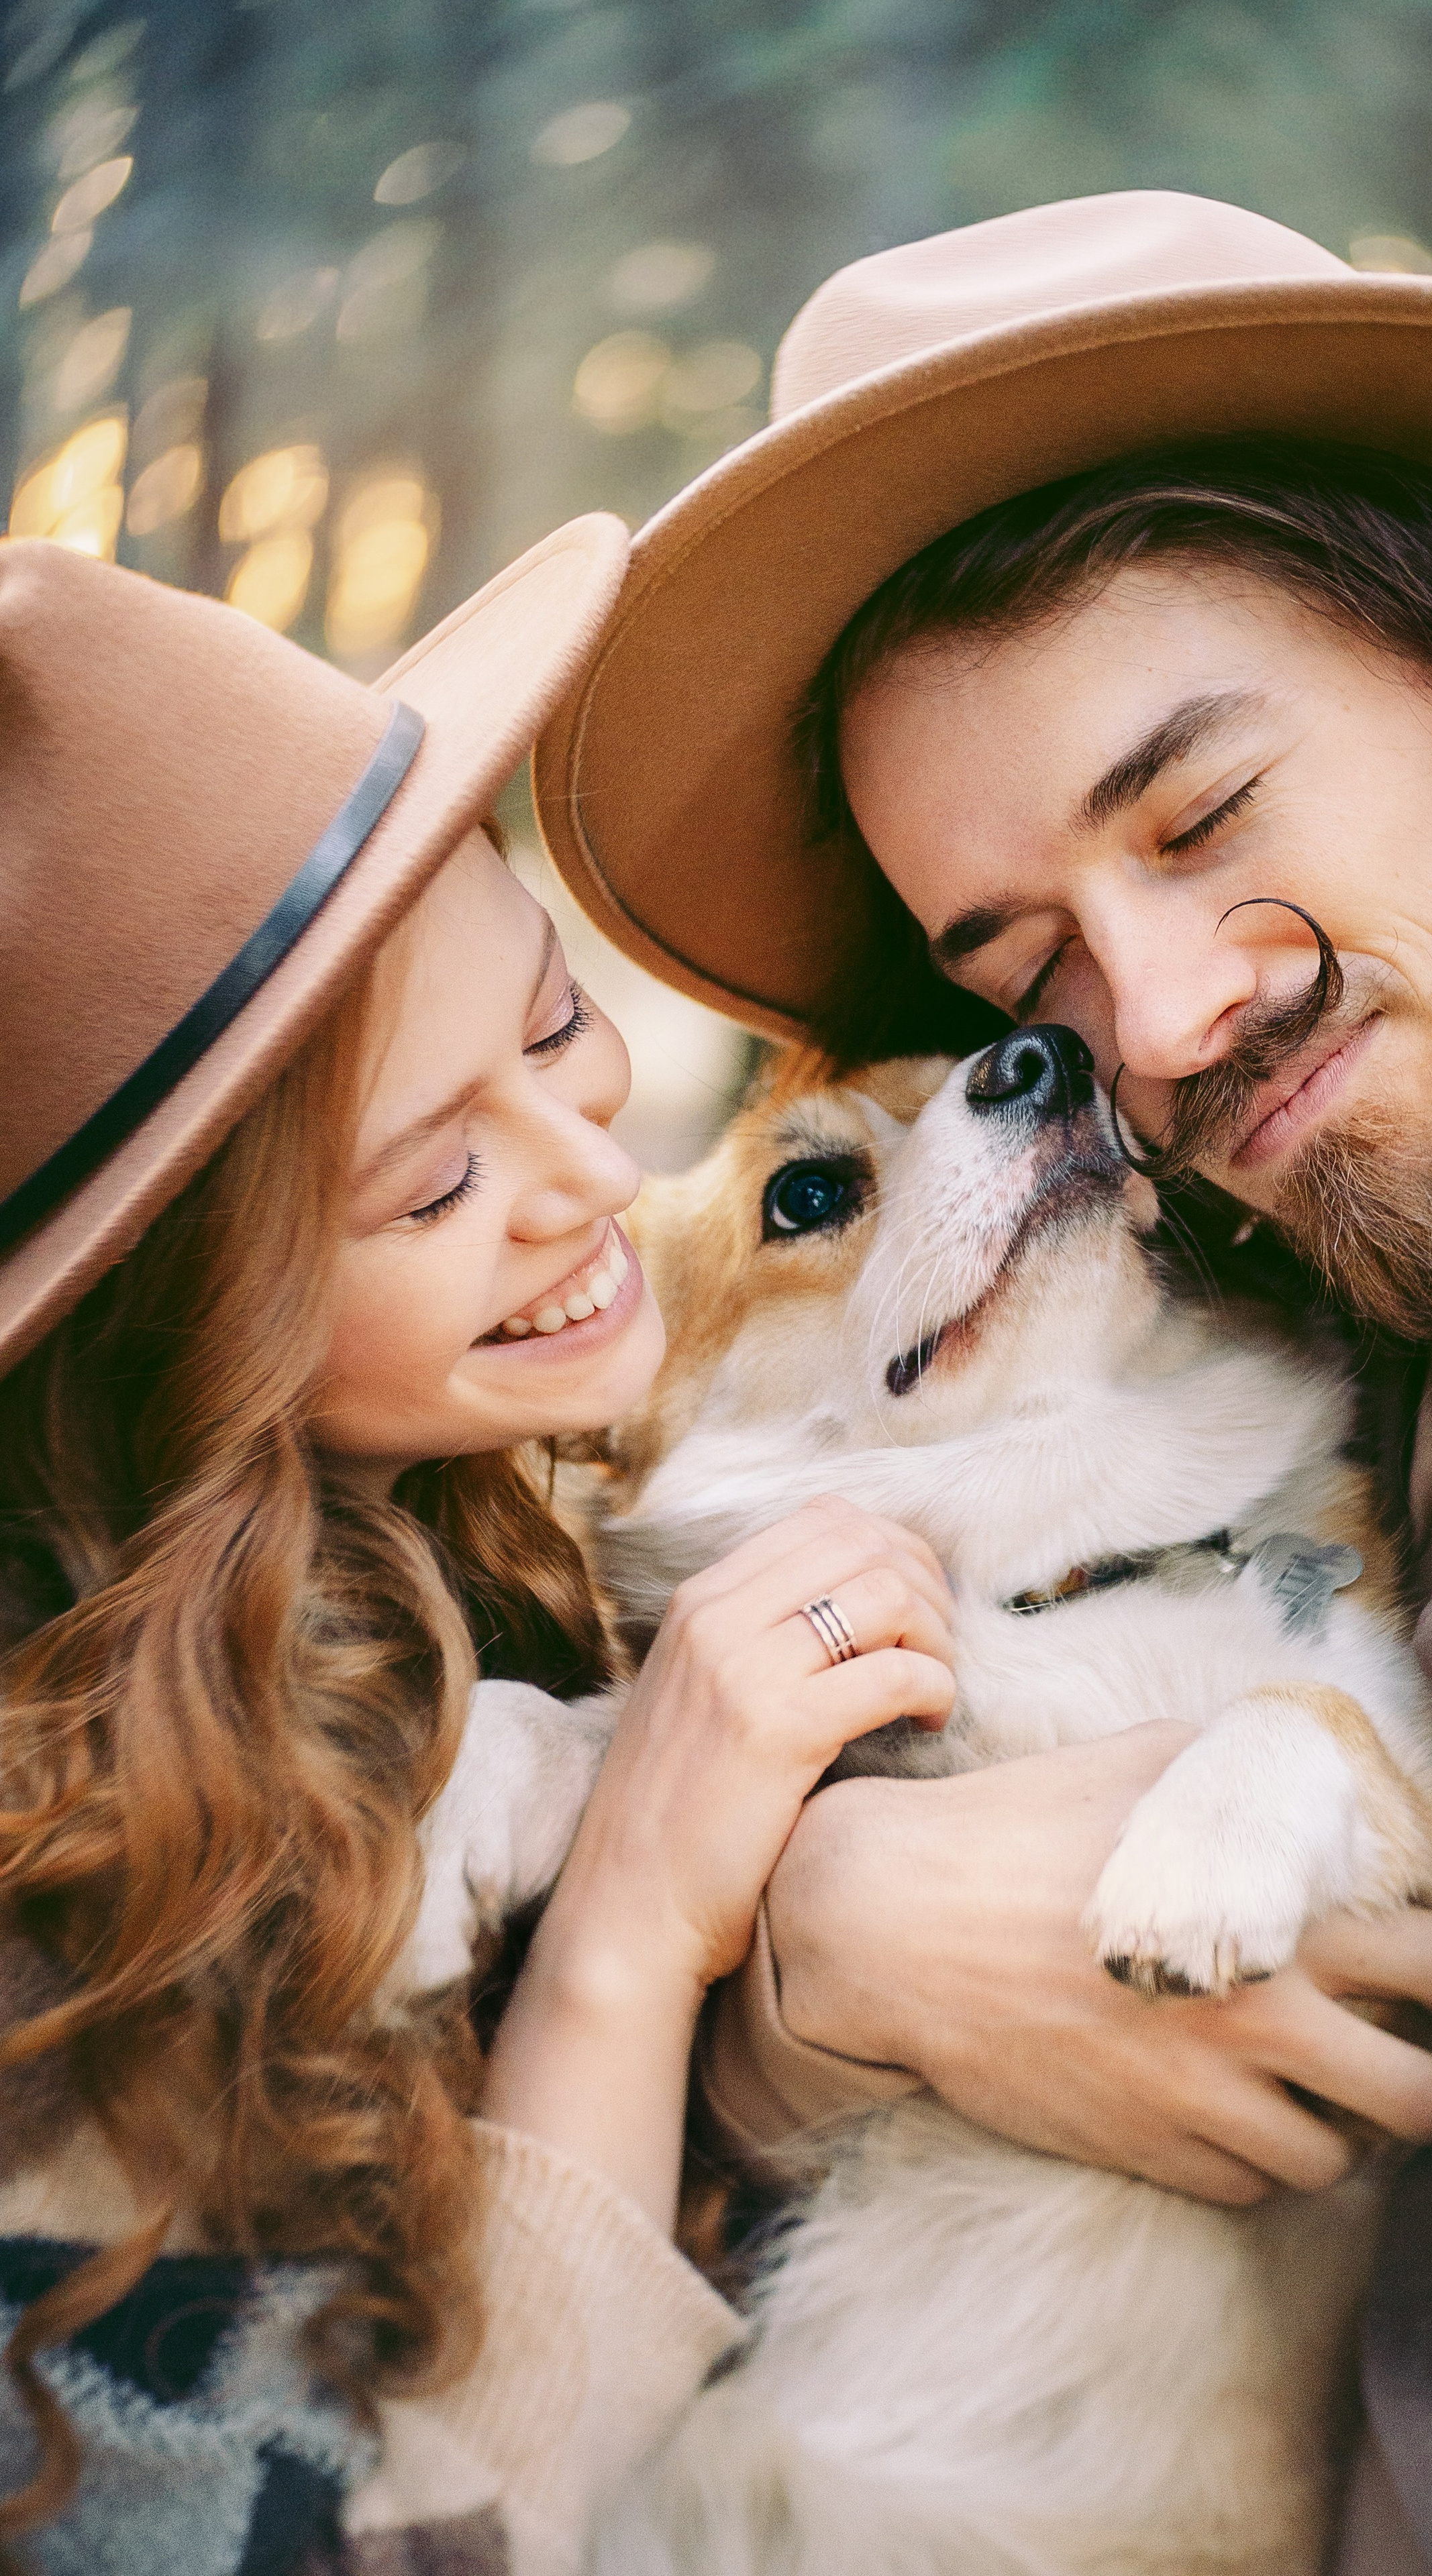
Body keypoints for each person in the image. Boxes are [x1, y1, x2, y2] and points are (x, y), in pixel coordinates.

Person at [545, 195, 1432, 2573]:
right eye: (1030, 973)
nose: (1160, 1029)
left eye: (1205, 820)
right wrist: (840, 1936)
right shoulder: (1375, 1296)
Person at [0, 527, 959, 2574]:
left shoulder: (470, 1526)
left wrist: (824, 1983)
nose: (596, 1172)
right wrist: (624, 1936)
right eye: (436, 1184)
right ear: (183, 1318)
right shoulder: (52, 1933)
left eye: (551, 1026)